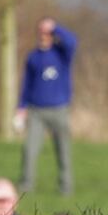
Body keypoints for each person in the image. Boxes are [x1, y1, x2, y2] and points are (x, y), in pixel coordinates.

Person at [16, 17, 78, 195]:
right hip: (36, 111)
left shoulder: (62, 54)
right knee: (29, 149)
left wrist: (55, 27)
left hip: (59, 109)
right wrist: (21, 108)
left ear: (52, 35)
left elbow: (72, 41)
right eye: (42, 32)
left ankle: (65, 187)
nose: (44, 35)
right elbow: (26, 83)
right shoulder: (33, 57)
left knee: (63, 150)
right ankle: (26, 185)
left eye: (47, 32)